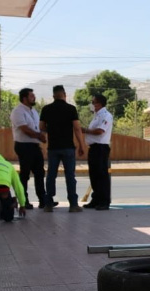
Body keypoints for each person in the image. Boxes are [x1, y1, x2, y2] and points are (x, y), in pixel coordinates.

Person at [40, 85, 85, 213]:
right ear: (65, 95)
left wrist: (52, 129)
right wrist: (82, 145)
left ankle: (48, 204)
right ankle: (73, 204)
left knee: (51, 176)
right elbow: (77, 128)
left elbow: (41, 127)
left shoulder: (46, 109)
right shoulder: (71, 109)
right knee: (70, 175)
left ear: (53, 95)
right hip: (68, 147)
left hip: (53, 147)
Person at [10, 88, 47, 209]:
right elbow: (25, 129)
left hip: (34, 145)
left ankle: (43, 200)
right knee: (25, 174)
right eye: (32, 96)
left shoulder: (34, 111)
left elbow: (38, 127)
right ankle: (23, 200)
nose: (34, 98)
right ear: (24, 98)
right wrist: (39, 136)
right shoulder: (18, 111)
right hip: (24, 145)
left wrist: (42, 134)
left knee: (40, 173)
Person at [82, 94, 113, 210]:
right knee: (94, 175)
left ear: (99, 104)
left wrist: (84, 130)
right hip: (94, 148)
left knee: (101, 175)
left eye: (93, 102)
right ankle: (96, 199)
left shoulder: (106, 116)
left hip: (101, 148)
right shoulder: (96, 116)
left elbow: (100, 131)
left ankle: (104, 201)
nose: (92, 104)